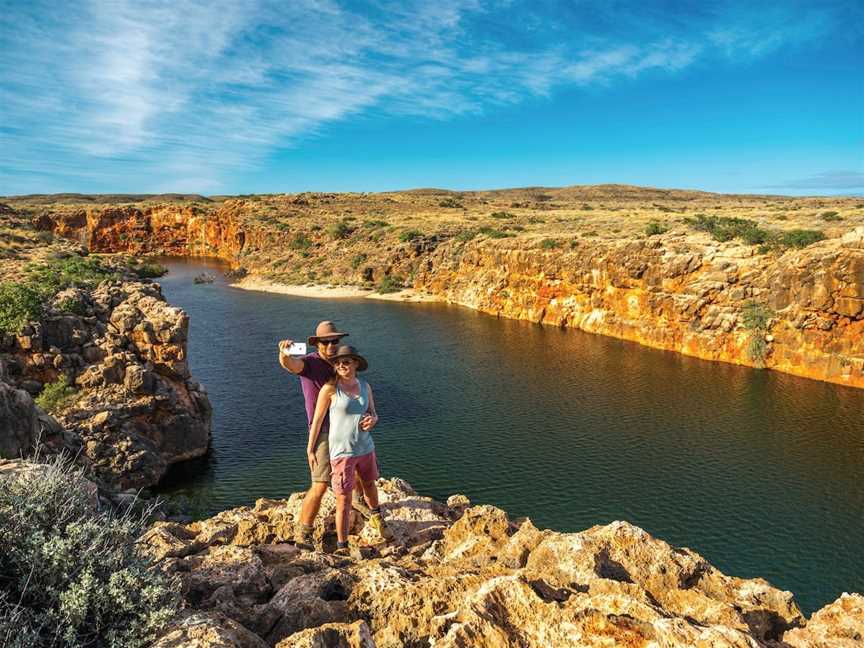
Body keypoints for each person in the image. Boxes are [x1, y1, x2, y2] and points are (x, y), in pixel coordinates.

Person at [307, 344, 389, 554]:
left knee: (370, 485)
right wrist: (310, 449)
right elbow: (317, 422)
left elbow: (373, 412)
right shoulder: (330, 389)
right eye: (338, 363)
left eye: (346, 362)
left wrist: (373, 420)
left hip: (365, 447)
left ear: (355, 364)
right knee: (344, 500)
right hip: (342, 453)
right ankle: (342, 545)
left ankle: (377, 518)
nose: (341, 365)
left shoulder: (365, 386)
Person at [278, 320, 350, 548]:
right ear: (316, 343)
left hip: (346, 428)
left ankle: (359, 505)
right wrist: (283, 354)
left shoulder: (341, 362)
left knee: (355, 472)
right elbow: (291, 365)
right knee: (320, 485)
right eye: (325, 342)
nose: (330, 346)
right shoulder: (309, 363)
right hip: (323, 432)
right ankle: (304, 531)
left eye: (334, 341)